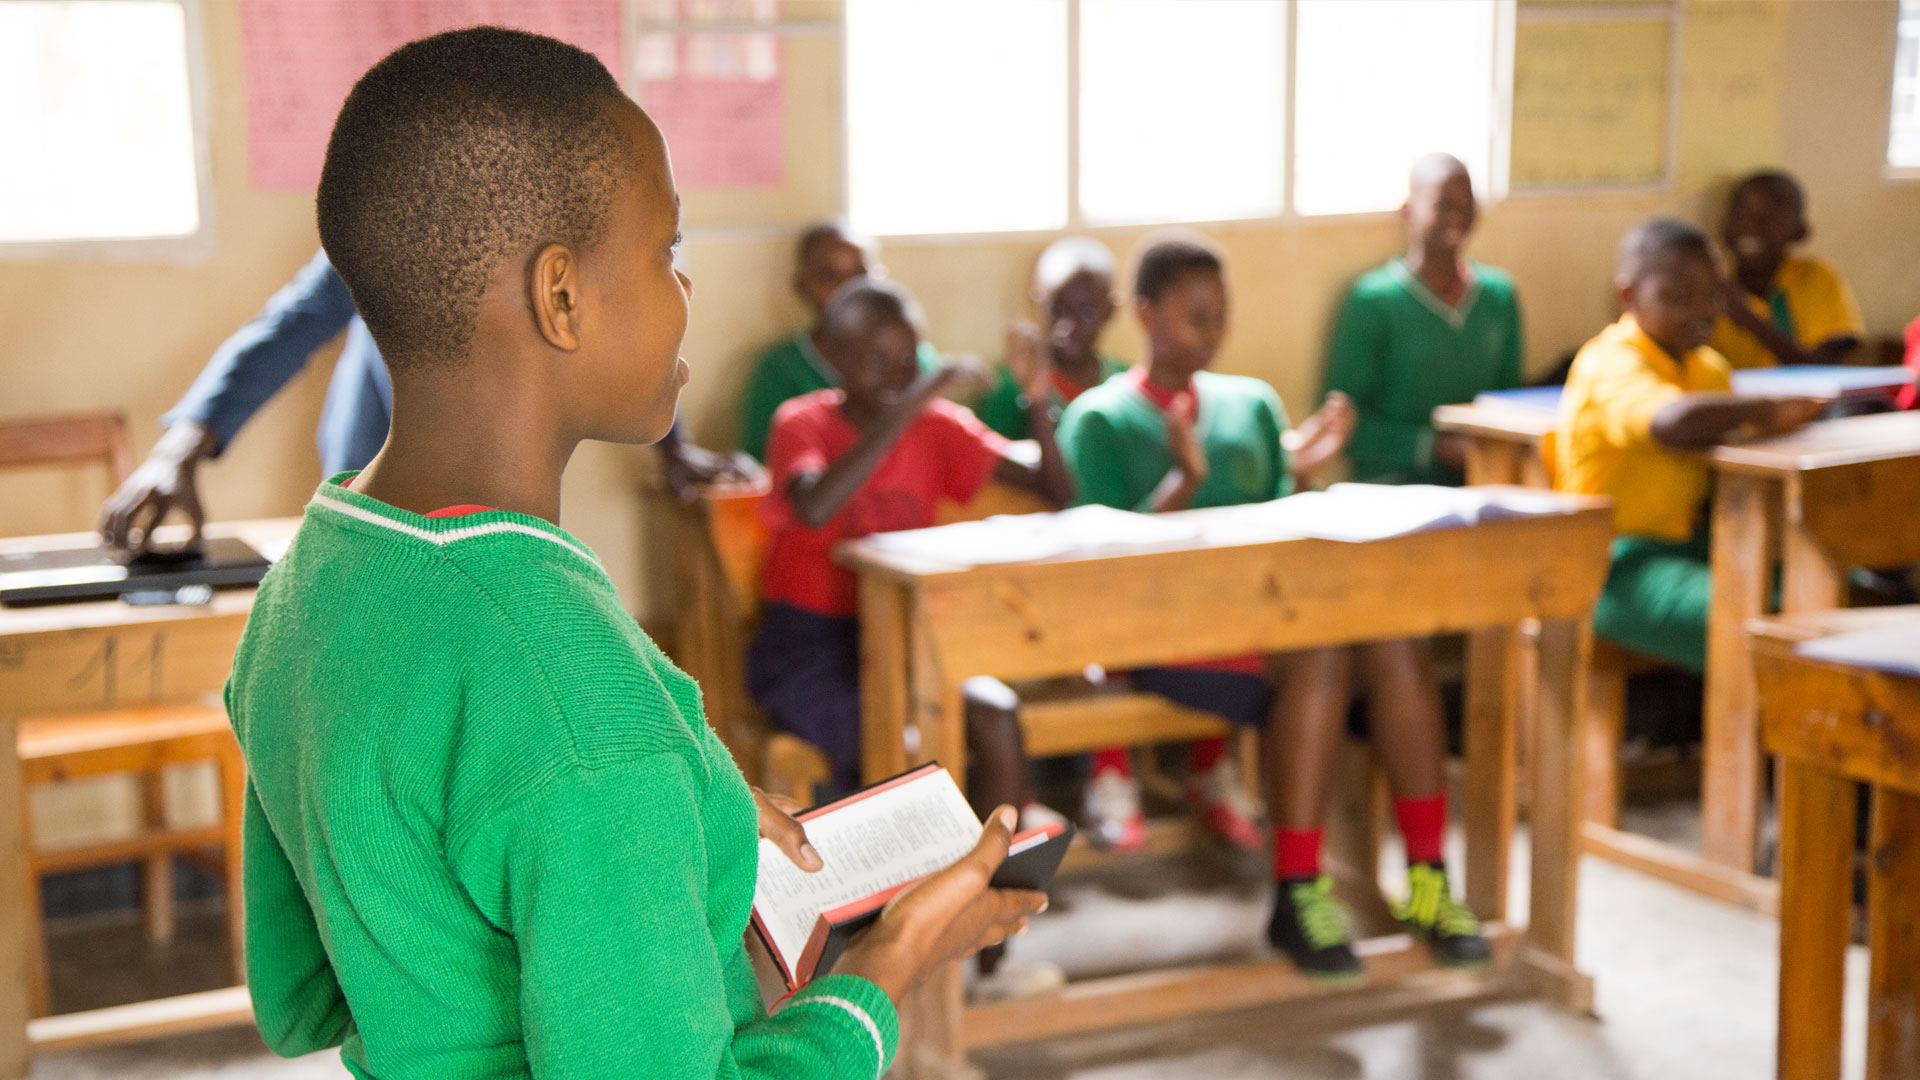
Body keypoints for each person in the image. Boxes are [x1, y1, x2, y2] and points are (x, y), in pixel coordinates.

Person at [228, 28, 1043, 1078]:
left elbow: (302, 990)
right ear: (561, 296)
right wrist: (894, 960)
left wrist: (680, 813)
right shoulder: (575, 703)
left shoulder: (311, 586)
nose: (685, 293)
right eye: (667, 253)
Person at [1058, 235, 1488, 978]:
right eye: (1195, 316)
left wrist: (1306, 476)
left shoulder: (1250, 401)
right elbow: (1097, 566)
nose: (1212, 331)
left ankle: (1427, 880)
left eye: (1220, 315)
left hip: (1273, 622)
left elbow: (1282, 521)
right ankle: (1298, 892)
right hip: (1165, 638)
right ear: (1145, 314)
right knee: (1319, 647)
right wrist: (1179, 488)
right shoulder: (1100, 419)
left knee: (1392, 640)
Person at [98, 253, 743, 550]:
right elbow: (288, 325)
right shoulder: (393, 226)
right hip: (373, 474)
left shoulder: (566, 237)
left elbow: (627, 324)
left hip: (492, 493)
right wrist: (178, 449)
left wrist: (674, 450)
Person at [747, 278, 1074, 812]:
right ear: (832, 357)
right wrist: (913, 401)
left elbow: (1056, 490)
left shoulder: (935, 426)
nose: (897, 376)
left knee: (995, 711)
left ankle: (993, 882)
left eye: (907, 360)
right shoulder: (802, 423)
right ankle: (894, 889)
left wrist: (1036, 397)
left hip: (907, 636)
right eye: (877, 361)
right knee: (883, 732)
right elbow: (816, 506)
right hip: (810, 647)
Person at [1557, 218, 1826, 674]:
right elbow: (1671, 422)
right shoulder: (1611, 361)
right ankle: (1747, 743)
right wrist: (1765, 410)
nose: (1703, 311)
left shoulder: (1709, 368)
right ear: (1628, 296)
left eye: (1716, 295)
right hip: (1615, 567)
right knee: (1747, 620)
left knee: (1833, 590)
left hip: (1698, 547)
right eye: (1680, 296)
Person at [1323, 153, 1523, 485]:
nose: (1457, 217)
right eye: (1443, 205)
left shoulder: (1499, 297)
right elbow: (1343, 424)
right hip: (1394, 486)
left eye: (1467, 205)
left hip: (1480, 482)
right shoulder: (1373, 300)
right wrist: (1433, 448)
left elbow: (1510, 402)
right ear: (1407, 210)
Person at [737, 220, 941, 463]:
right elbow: (763, 463)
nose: (849, 288)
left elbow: (936, 446)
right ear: (802, 287)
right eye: (829, 276)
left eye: (860, 274)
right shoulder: (780, 369)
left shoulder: (916, 362)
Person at [977, 236, 1130, 441]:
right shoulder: (1009, 389)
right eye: (1056, 310)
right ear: (1038, 304)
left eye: (1086, 312)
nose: (1068, 326)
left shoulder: (1125, 387)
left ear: (1110, 311)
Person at [1709, 170, 1864, 370]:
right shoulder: (1711, 285)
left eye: (1768, 219)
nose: (1751, 226)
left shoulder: (1816, 278)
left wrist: (1747, 319)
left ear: (1799, 231)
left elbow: (1823, 369)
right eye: (1741, 215)